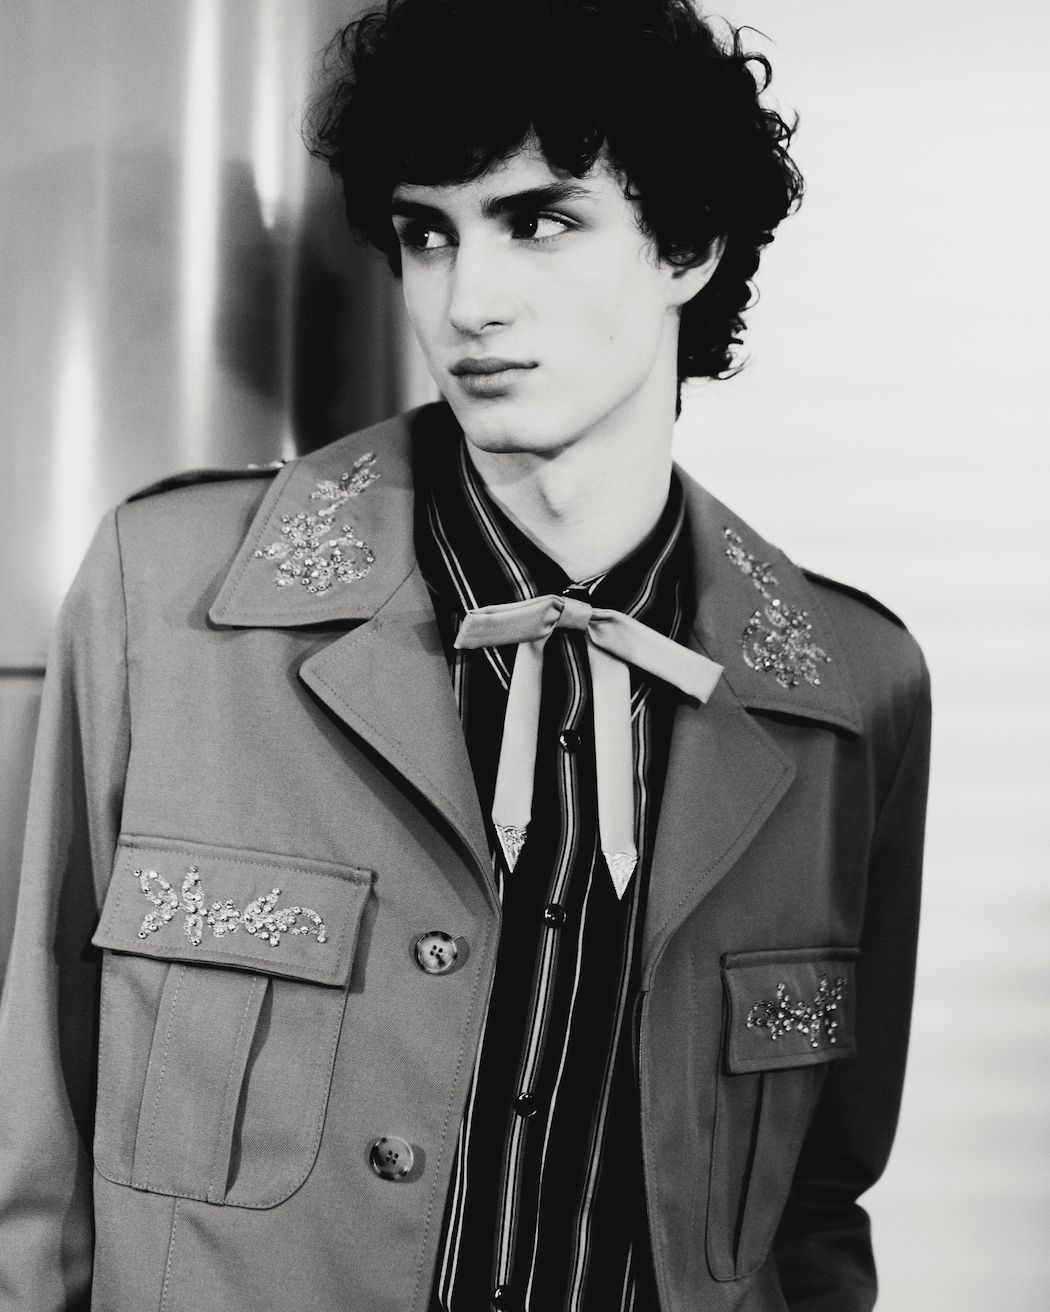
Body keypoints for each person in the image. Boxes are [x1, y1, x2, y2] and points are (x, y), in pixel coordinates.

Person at [0, 1, 931, 1309]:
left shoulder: (851, 686)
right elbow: (32, 1146)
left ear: (688, 247)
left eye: (539, 221)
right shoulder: (169, 595)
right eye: (427, 233)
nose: (467, 302)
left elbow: (815, 1210)